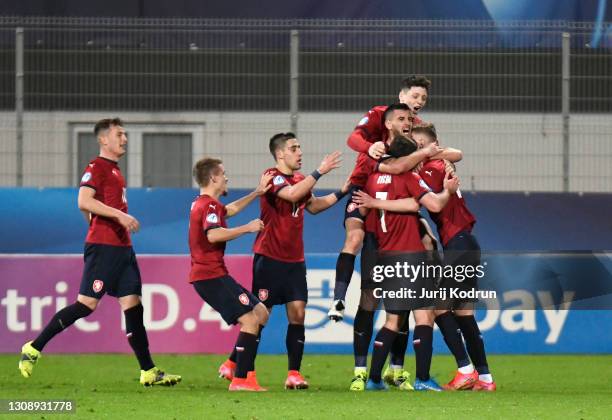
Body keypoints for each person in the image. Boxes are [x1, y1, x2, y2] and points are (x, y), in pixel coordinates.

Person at [18, 118, 181, 387]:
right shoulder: (96, 167)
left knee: (133, 305)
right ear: (103, 139)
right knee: (86, 305)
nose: (125, 139)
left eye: (125, 134)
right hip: (105, 247)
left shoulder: (115, 171)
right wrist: (116, 218)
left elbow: (89, 209)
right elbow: (83, 200)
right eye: (120, 134)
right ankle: (33, 348)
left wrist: (103, 221)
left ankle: (148, 370)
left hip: (122, 248)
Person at [218, 132, 347, 389]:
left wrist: (343, 191)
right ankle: (241, 369)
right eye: (293, 148)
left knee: (298, 314)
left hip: (295, 260)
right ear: (280, 154)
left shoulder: (300, 179)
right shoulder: (271, 176)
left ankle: (293, 374)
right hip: (269, 259)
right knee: (260, 317)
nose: (299, 151)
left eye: (299, 147)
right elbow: (290, 195)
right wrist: (319, 171)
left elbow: (313, 205)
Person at [353, 135, 460, 391]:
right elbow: (432, 204)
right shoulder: (408, 178)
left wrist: (381, 203)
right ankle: (423, 379)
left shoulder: (372, 178)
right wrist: (448, 191)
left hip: (386, 255)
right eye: (417, 156)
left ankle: (374, 379)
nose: (419, 162)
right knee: (424, 317)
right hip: (410, 255)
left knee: (392, 321)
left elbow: (368, 210)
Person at [412, 123, 496, 391]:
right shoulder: (440, 165)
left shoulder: (431, 169)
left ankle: (465, 370)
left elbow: (419, 195)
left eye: (417, 145)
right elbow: (455, 155)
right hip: (466, 243)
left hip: (458, 244)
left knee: (438, 308)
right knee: (464, 314)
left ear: (430, 147)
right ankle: (485, 379)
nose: (414, 150)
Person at [189, 157, 272, 391]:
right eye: (223, 173)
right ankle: (241, 380)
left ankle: (232, 365)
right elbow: (213, 235)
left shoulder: (204, 204)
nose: (226, 177)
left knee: (260, 312)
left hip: (211, 274)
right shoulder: (209, 206)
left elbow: (230, 209)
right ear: (213, 177)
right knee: (250, 321)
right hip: (210, 275)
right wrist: (247, 228)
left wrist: (256, 192)